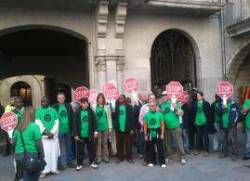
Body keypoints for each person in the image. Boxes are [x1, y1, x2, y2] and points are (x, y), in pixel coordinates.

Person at [12, 106, 45, 181]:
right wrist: (42, 155)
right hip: (31, 155)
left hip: (19, 156)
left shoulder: (18, 127)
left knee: (25, 175)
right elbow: (39, 143)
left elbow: (13, 142)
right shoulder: (34, 126)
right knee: (33, 176)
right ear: (32, 114)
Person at [35, 97, 60, 177]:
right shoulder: (38, 111)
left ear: (48, 101)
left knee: (53, 153)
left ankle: (53, 169)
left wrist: (52, 133)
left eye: (45, 101)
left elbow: (57, 122)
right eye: (42, 101)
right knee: (45, 155)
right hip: (44, 138)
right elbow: (38, 123)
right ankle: (44, 171)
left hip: (53, 137)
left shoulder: (53, 111)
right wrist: (47, 133)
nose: (43, 102)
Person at [160, 96, 187, 164]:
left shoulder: (176, 103)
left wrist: (175, 107)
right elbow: (161, 114)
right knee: (167, 143)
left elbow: (181, 113)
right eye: (162, 96)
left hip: (176, 127)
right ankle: (170, 156)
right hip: (166, 127)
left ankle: (182, 157)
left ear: (168, 96)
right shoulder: (162, 105)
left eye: (164, 96)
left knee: (179, 143)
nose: (163, 97)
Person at [73, 98, 98, 170]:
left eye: (86, 103)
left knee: (91, 150)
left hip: (89, 134)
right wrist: (75, 134)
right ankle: (79, 164)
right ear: (81, 104)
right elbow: (74, 124)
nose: (85, 104)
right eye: (84, 103)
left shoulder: (91, 112)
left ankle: (92, 162)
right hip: (80, 135)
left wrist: (95, 131)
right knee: (80, 150)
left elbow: (94, 122)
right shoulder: (77, 112)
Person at [53, 92, 74, 169]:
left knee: (69, 146)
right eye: (59, 98)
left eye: (62, 98)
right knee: (58, 147)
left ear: (64, 98)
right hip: (59, 130)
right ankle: (59, 164)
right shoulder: (54, 107)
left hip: (68, 129)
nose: (61, 99)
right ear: (57, 99)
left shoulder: (68, 106)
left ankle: (69, 162)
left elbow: (72, 117)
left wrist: (73, 129)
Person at [144, 101, 166, 168]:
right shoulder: (146, 115)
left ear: (156, 107)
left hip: (158, 130)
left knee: (160, 147)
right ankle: (153, 162)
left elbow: (162, 125)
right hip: (150, 131)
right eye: (150, 106)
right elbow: (145, 125)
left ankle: (162, 162)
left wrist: (162, 133)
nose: (151, 107)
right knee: (151, 147)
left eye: (153, 106)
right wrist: (145, 135)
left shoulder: (160, 114)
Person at [113, 94, 135, 163]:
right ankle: (120, 158)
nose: (120, 100)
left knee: (128, 144)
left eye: (122, 98)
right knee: (119, 144)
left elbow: (132, 118)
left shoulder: (129, 107)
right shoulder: (116, 107)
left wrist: (132, 128)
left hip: (127, 129)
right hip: (119, 129)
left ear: (125, 99)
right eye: (119, 99)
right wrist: (113, 112)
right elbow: (114, 118)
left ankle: (129, 157)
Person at [92, 93, 112, 164]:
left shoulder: (106, 107)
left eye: (102, 98)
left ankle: (106, 157)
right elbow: (93, 118)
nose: (100, 99)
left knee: (105, 143)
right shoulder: (94, 107)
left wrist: (110, 127)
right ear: (97, 99)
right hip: (98, 128)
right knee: (98, 143)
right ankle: (99, 157)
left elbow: (109, 118)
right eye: (99, 98)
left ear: (103, 99)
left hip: (105, 127)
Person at [193, 91, 210, 157]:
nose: (198, 97)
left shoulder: (206, 103)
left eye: (199, 96)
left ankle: (206, 150)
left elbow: (209, 113)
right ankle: (198, 149)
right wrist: (194, 120)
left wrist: (207, 121)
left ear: (202, 97)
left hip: (205, 122)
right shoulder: (195, 104)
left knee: (206, 136)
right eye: (197, 96)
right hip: (198, 122)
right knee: (198, 136)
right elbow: (193, 113)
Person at [133, 92, 148, 158]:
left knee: (145, 138)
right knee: (140, 139)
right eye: (144, 96)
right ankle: (140, 152)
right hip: (138, 125)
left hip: (146, 124)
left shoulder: (147, 103)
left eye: (145, 96)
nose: (145, 97)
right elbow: (135, 113)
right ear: (140, 97)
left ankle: (145, 151)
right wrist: (138, 106)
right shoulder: (136, 104)